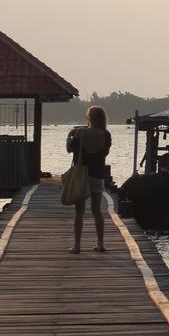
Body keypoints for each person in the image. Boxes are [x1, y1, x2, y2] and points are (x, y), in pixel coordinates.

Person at [66, 106, 111, 253]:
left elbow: (70, 148)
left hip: (82, 174)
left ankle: (77, 245)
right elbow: (105, 152)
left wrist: (70, 135)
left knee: (79, 211)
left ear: (89, 119)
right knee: (97, 210)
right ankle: (101, 243)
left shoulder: (80, 133)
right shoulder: (106, 134)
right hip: (98, 174)